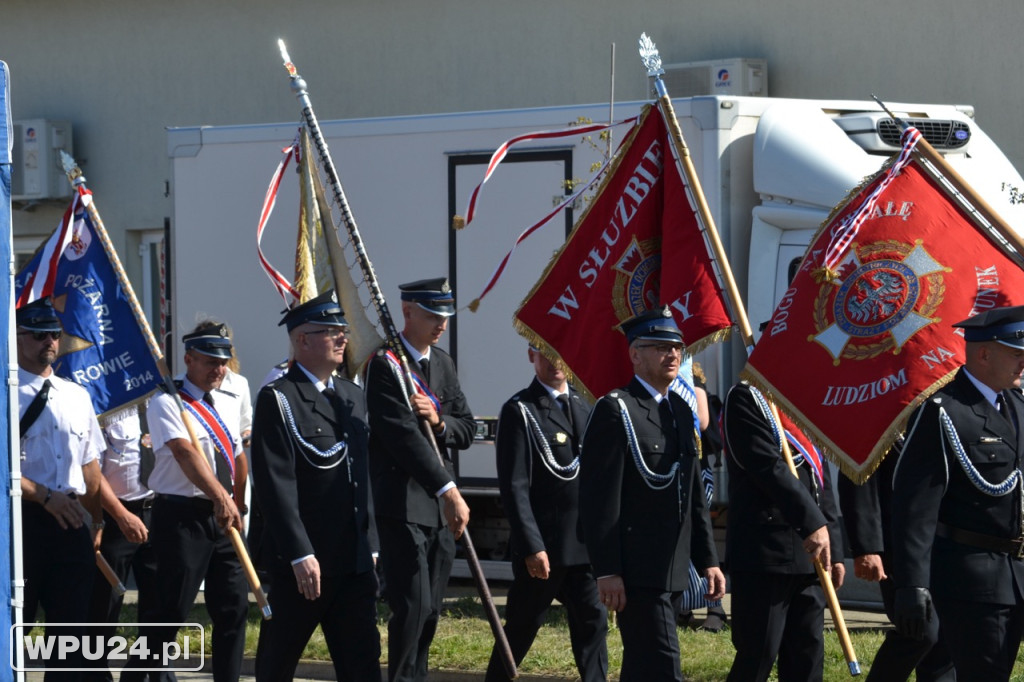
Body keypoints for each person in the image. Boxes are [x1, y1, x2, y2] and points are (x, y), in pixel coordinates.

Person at [580, 306, 725, 682]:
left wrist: (707, 560)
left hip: (673, 565)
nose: (673, 354)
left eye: (676, 346)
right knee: (665, 666)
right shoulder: (617, 410)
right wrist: (607, 570)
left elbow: (692, 491)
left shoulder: (679, 407)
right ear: (635, 354)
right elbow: (599, 499)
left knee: (643, 667)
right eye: (660, 346)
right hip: (636, 568)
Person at [250, 290, 381, 680]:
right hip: (305, 565)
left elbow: (363, 479)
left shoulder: (352, 396)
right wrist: (298, 553)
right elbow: (276, 485)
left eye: (343, 330)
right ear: (301, 340)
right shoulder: (279, 399)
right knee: (277, 664)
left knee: (362, 666)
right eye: (331, 331)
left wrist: (370, 544)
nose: (343, 337)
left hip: (353, 562)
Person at [891, 305, 1024, 681]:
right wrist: (912, 584)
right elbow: (914, 506)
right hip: (973, 579)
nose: (1023, 364)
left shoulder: (1016, 405)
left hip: (1017, 571)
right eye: (1017, 354)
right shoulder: (943, 411)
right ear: (984, 353)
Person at [364, 277, 477, 682]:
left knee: (431, 611)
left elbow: (466, 427)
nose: (441, 323)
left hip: (439, 508)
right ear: (407, 311)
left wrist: (440, 420)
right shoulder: (385, 366)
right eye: (432, 314)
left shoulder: (443, 363)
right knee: (411, 606)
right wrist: (447, 487)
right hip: (404, 502)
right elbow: (402, 438)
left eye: (445, 315)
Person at [126, 321, 247, 682]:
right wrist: (219, 497)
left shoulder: (228, 399)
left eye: (223, 361)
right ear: (189, 359)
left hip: (223, 517)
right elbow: (184, 452)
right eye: (210, 361)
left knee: (233, 608)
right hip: (182, 516)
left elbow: (238, 457)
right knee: (170, 611)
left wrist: (237, 503)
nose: (219, 369)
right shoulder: (167, 400)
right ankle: (135, 677)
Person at [484, 345, 607, 682]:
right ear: (530, 355)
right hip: (545, 548)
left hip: (584, 547)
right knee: (522, 628)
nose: (556, 361)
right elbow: (516, 486)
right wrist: (530, 545)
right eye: (546, 353)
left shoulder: (586, 406)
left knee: (594, 628)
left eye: (561, 352)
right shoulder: (520, 410)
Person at [721, 378, 845, 682]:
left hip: (811, 554)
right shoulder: (746, 397)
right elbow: (767, 467)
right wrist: (813, 523)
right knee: (757, 656)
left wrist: (835, 547)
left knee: (808, 657)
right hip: (766, 553)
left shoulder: (802, 400)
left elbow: (820, 478)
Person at [16, 297, 105, 680]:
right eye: (37, 334)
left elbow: (90, 467)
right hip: (19, 522)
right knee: (14, 628)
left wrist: (97, 520)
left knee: (71, 636)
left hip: (70, 522)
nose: (48, 341)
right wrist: (42, 495)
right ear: (15, 337)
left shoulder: (76, 395)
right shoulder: (5, 391)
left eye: (53, 334)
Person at [837, 442, 955, 681]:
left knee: (947, 637)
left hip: (945, 543)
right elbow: (858, 474)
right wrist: (866, 547)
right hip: (899, 546)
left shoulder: (944, 410)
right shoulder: (882, 413)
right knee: (920, 630)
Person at [83, 403, 159, 682]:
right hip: (116, 517)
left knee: (159, 605)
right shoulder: (107, 408)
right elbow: (91, 469)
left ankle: (142, 673)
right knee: (104, 605)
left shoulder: (162, 405)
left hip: (158, 512)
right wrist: (117, 516)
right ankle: (95, 674)